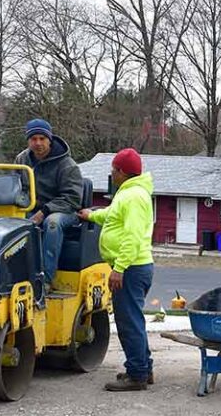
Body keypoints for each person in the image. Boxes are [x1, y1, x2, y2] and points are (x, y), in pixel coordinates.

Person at [79, 148, 155, 392]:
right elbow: (112, 216)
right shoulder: (130, 194)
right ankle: (143, 367)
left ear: (121, 172)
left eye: (113, 170)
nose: (112, 174)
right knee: (134, 320)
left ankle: (137, 375)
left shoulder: (133, 197)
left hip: (131, 269)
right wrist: (91, 215)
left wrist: (119, 269)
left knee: (128, 322)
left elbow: (132, 237)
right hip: (133, 267)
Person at [14, 119, 87, 285]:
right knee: (10, 223)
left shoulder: (67, 165)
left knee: (52, 223)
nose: (38, 143)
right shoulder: (21, 160)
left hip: (65, 211)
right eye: (33, 139)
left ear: (50, 139)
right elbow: (15, 187)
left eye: (42, 138)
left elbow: (73, 198)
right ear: (28, 141)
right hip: (31, 208)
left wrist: (45, 211)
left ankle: (45, 280)